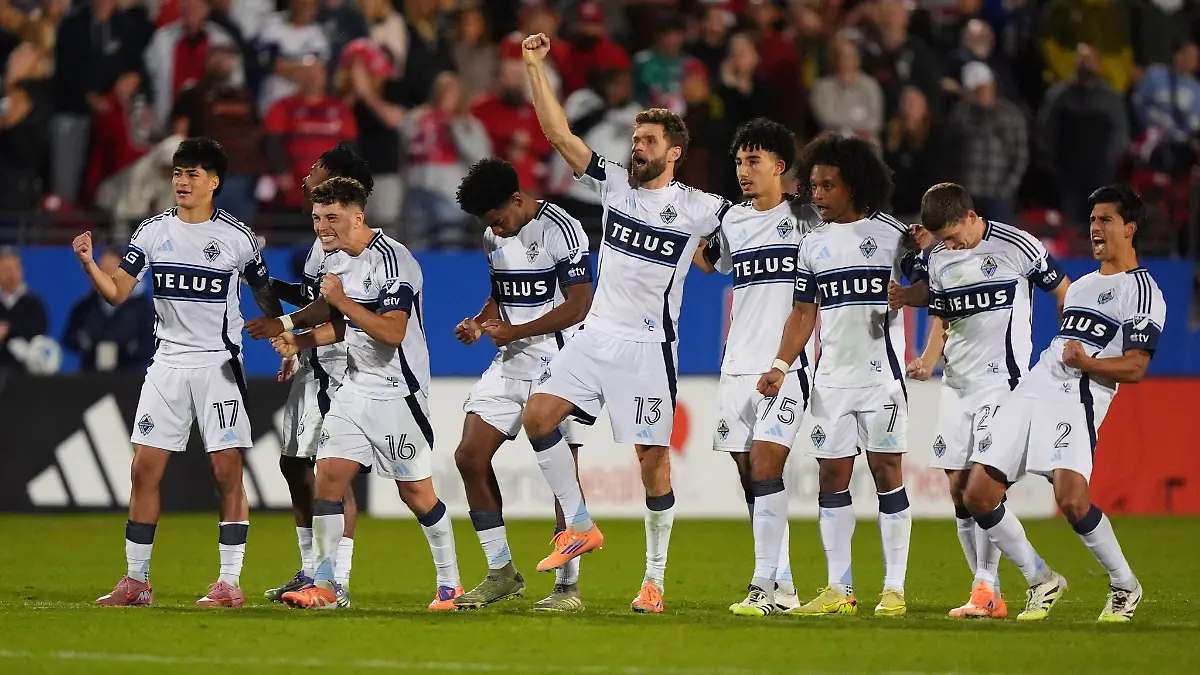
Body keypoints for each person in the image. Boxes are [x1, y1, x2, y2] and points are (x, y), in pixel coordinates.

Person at [521, 32, 731, 614]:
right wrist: (535, 67)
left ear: (674, 153)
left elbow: (753, 227)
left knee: (652, 461)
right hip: (594, 337)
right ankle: (581, 524)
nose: (636, 148)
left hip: (647, 346)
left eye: (648, 142)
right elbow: (559, 136)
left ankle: (654, 580)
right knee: (538, 417)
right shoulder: (614, 182)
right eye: (635, 139)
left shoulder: (701, 208)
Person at [75, 137, 283, 608]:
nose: (182, 181)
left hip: (218, 366)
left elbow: (264, 293)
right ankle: (136, 582)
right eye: (177, 173)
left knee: (226, 472)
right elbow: (117, 292)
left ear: (214, 182)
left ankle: (229, 582)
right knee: (143, 470)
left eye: (192, 173)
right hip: (166, 364)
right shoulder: (151, 232)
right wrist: (89, 264)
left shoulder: (239, 238)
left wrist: (284, 336)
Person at [962, 185, 1163, 623]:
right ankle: (1040, 579)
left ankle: (1125, 585)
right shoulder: (1083, 285)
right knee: (977, 494)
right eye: (1091, 219)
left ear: (1130, 228)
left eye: (1105, 220)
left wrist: (1087, 361)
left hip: (1078, 396)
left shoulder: (1142, 291)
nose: (1095, 227)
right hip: (1035, 387)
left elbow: (1135, 367)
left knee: (1072, 501)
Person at [260, 177, 463, 611]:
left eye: (332, 218)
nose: (322, 227)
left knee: (417, 495)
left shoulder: (394, 261)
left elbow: (391, 331)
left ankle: (450, 584)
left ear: (358, 215)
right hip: (353, 389)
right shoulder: (338, 262)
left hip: (398, 394)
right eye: (316, 218)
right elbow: (345, 327)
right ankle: (328, 586)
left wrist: (342, 302)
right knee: (328, 481)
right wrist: (301, 341)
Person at [756, 132, 923, 618]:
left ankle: (894, 587)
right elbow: (803, 313)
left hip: (882, 378)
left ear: (854, 186)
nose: (818, 195)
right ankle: (839, 588)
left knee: (887, 473)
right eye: (814, 186)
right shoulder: (812, 245)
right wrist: (780, 366)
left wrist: (909, 294)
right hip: (831, 381)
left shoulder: (894, 236)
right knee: (832, 475)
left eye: (828, 186)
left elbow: (933, 286)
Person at [903, 183, 1071, 619]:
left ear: (971, 216)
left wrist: (1070, 347)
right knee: (959, 491)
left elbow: (1063, 288)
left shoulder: (1017, 246)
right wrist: (927, 359)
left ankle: (1035, 578)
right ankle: (987, 593)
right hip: (956, 386)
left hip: (1003, 385)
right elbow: (941, 316)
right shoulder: (937, 258)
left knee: (983, 489)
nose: (950, 245)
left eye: (954, 235)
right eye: (942, 239)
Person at [450, 157, 594, 612]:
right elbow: (502, 295)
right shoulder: (494, 234)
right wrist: (480, 322)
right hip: (511, 360)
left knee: (560, 473)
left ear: (518, 199)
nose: (498, 230)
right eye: (490, 224)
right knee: (469, 456)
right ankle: (500, 572)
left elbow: (580, 306)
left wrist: (515, 331)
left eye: (500, 219)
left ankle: (567, 588)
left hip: (561, 362)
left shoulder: (562, 230)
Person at [690, 118, 819, 616]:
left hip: (785, 364)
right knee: (748, 472)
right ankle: (782, 583)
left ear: (780, 167)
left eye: (754, 161)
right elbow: (711, 262)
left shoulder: (808, 219)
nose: (744, 170)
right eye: (740, 161)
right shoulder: (733, 221)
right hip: (736, 363)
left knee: (766, 464)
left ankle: (764, 585)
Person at [250, 143, 373, 609]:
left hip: (342, 367)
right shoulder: (320, 244)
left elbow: (328, 310)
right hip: (313, 366)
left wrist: (290, 329)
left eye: (314, 171)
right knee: (293, 465)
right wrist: (263, 282)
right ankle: (309, 569)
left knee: (331, 474)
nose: (304, 177)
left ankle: (335, 579)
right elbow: (309, 299)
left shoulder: (349, 246)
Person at [61, 247, 155, 371]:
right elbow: (70, 337)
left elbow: (150, 342)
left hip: (130, 377)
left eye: (112, 270)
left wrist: (125, 350)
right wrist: (89, 346)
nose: (108, 276)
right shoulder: (86, 306)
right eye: (103, 271)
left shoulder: (142, 307)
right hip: (90, 376)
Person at [0, 247, 49, 372]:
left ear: (21, 271)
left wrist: (8, 330)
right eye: (5, 269)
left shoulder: (33, 302)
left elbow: (40, 329)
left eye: (13, 269)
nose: (9, 274)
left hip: (25, 372)